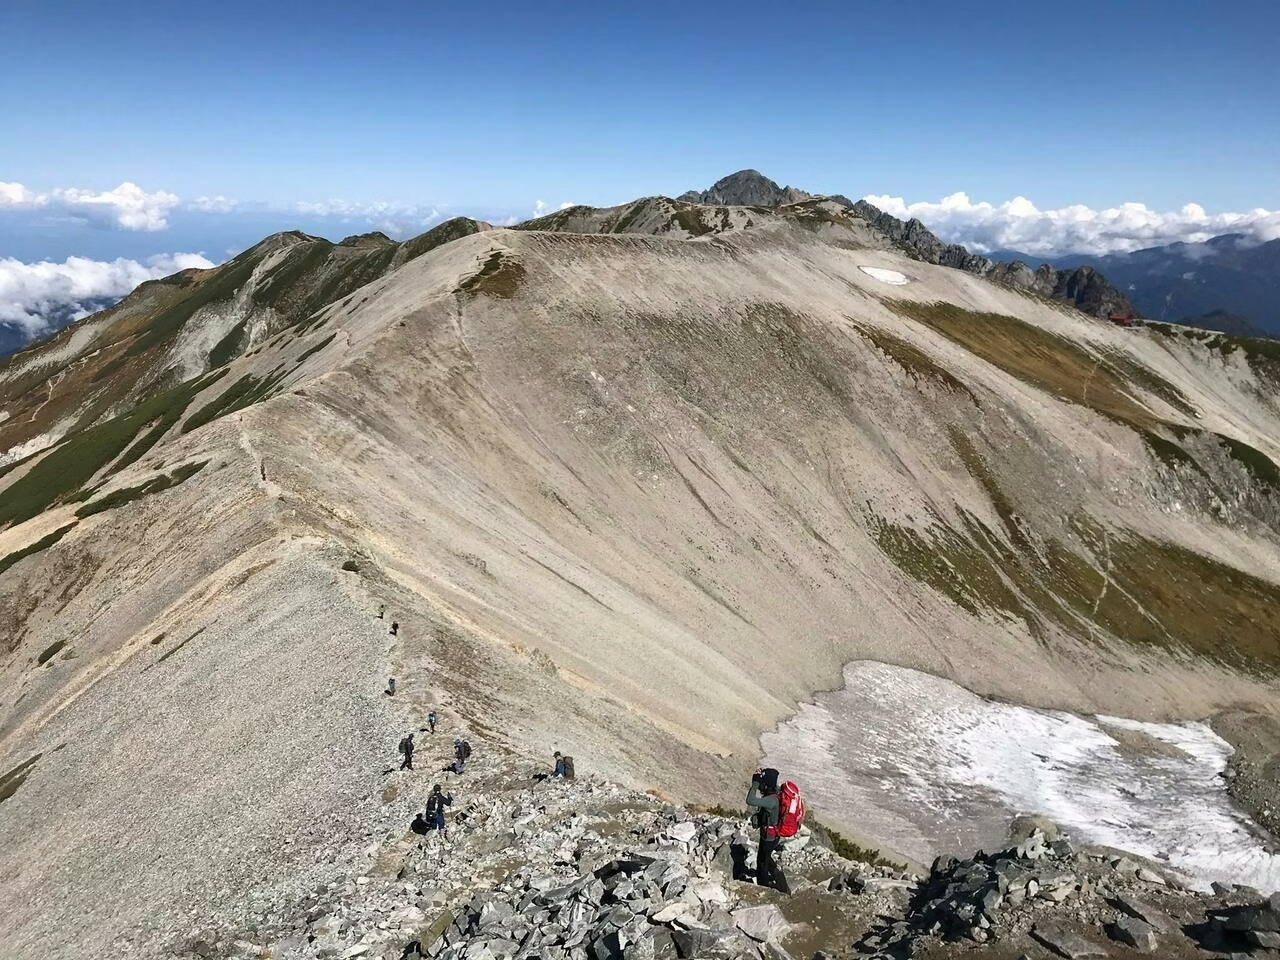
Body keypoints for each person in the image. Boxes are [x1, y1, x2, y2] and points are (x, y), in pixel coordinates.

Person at [746, 767, 790, 894]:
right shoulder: (773, 796)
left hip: (770, 837)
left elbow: (750, 800)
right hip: (770, 835)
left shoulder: (772, 800)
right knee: (764, 858)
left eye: (762, 783)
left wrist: (754, 784)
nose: (761, 786)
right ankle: (778, 882)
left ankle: (770, 886)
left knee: (763, 862)